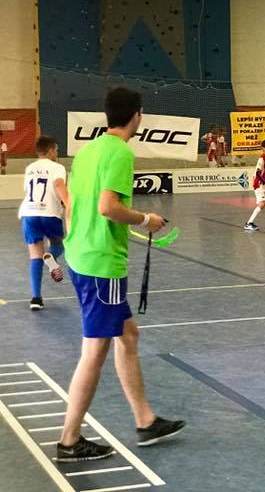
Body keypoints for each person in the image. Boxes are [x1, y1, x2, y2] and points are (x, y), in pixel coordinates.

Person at [56, 87, 184, 463]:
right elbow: (108, 207)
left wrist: (77, 238)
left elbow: (73, 205)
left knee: (128, 334)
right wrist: (147, 219)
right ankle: (69, 440)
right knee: (95, 349)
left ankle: (146, 420)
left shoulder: (87, 151)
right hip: (101, 265)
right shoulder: (120, 153)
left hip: (79, 254)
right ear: (137, 116)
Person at [19, 136, 69, 310]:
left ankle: (36, 299)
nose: (56, 153)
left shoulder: (30, 168)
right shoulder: (58, 167)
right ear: (50, 150)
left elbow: (28, 190)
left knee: (35, 256)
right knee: (58, 245)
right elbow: (59, 184)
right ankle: (51, 258)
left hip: (29, 213)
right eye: (56, 150)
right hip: (49, 213)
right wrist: (69, 204)